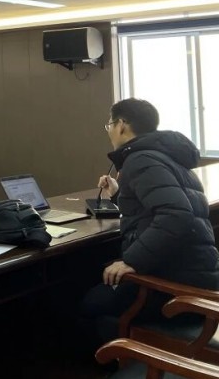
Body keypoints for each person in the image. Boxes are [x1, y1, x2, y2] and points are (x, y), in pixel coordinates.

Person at [80, 98, 219, 350]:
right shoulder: (169, 156)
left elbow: (176, 215)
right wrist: (119, 193)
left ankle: (113, 360)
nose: (109, 131)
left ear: (122, 125)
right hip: (198, 274)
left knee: (88, 301)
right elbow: (159, 208)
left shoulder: (140, 159)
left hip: (177, 288)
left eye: (110, 124)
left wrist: (132, 260)